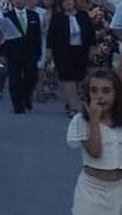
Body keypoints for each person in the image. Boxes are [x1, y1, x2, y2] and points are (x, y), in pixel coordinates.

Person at [66, 69, 122, 214]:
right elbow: (95, 151)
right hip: (92, 190)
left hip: (118, 190)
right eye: (94, 91)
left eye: (106, 91)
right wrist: (94, 121)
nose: (99, 97)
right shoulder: (81, 121)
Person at [50, 0, 97, 116]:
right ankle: (73, 108)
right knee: (69, 79)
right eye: (64, 1)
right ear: (61, 4)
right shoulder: (57, 18)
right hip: (63, 53)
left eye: (69, 0)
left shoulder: (83, 16)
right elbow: (51, 37)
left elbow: (91, 35)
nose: (67, 3)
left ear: (74, 2)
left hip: (81, 51)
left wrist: (92, 50)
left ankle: (78, 103)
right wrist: (49, 54)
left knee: (81, 80)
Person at [0, 0, 43, 114]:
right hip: (13, 52)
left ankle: (27, 95)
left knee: (32, 77)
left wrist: (38, 52)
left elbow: (37, 36)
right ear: (12, 1)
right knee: (15, 79)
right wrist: (2, 54)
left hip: (30, 52)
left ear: (26, 1)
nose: (19, 0)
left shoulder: (33, 15)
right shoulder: (7, 16)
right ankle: (18, 105)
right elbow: (3, 37)